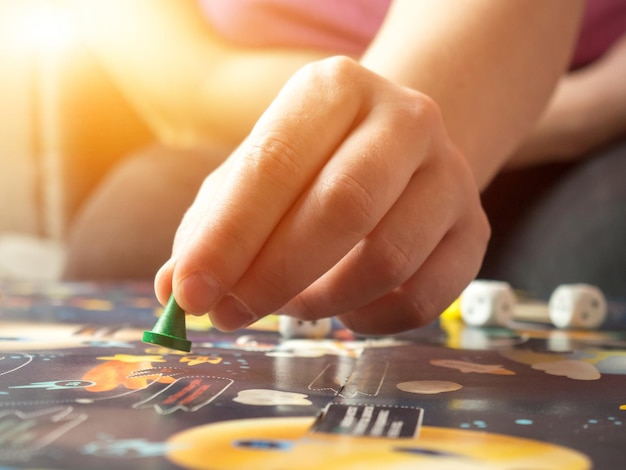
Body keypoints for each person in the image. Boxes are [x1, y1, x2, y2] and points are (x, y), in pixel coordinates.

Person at [63, 0, 626, 335]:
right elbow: (187, 80)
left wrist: (570, 117)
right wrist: (562, 115)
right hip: (246, 133)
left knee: (609, 245)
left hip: (584, 143)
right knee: (126, 233)